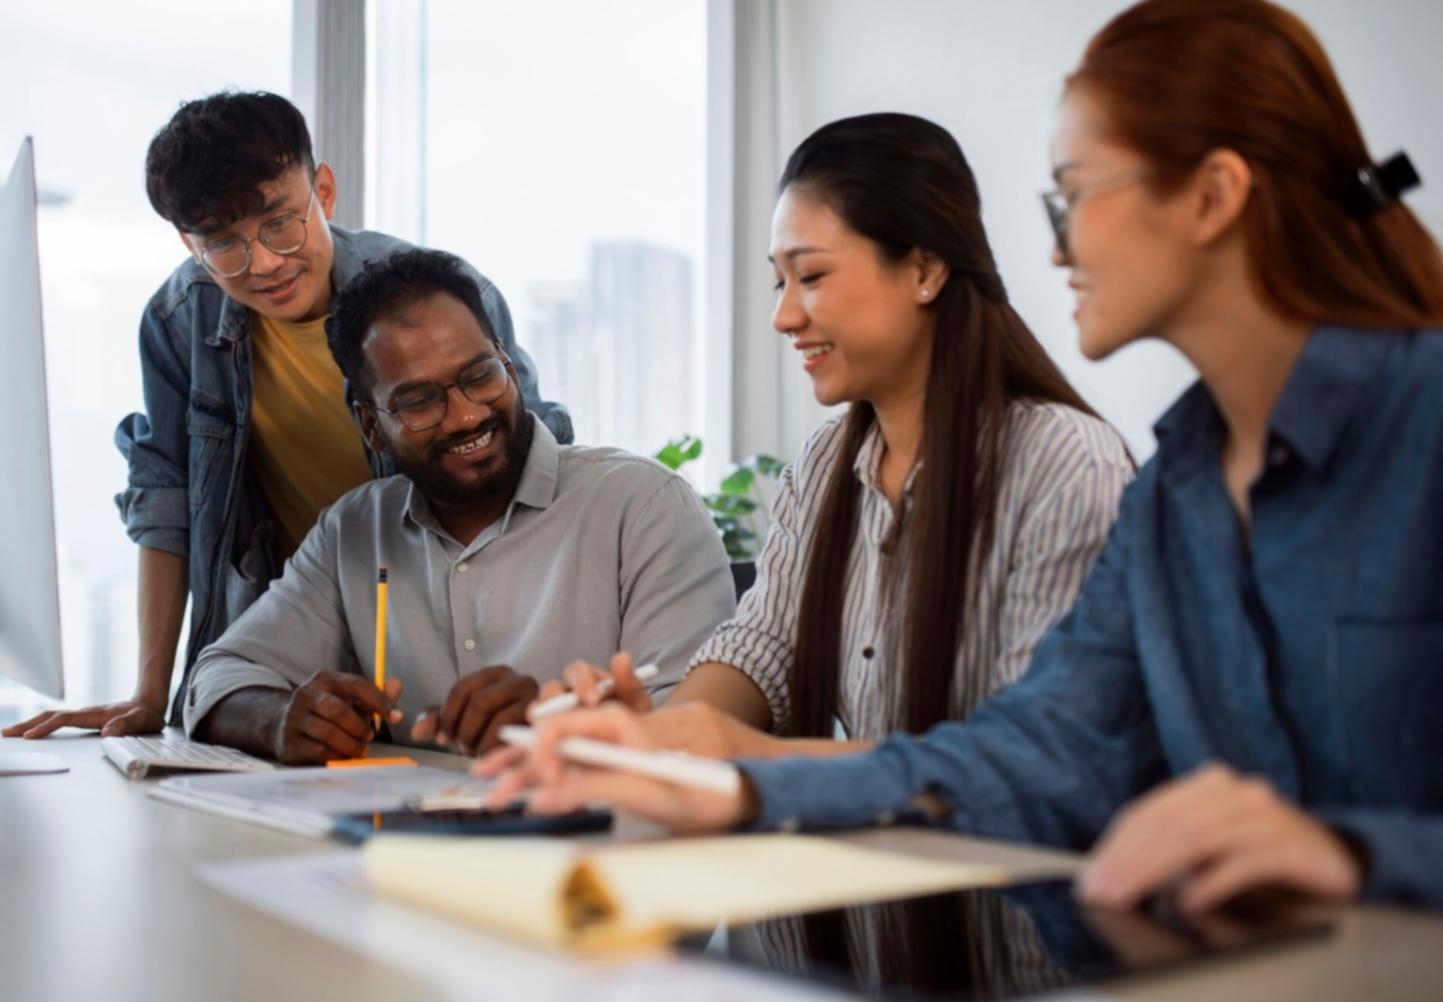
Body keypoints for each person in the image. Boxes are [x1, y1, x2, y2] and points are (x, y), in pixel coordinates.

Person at [488, 0, 1443, 912]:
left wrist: (1352, 851)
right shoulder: (1177, 494)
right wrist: (715, 765)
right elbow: (1034, 753)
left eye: (1072, 196)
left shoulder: (1409, 428)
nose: (1055, 244)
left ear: (1211, 195)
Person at [541, 114, 1132, 761]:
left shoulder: (1065, 464)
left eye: (812, 276)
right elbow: (762, 644)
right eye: (779, 280)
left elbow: (1026, 756)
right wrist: (655, 735)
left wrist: (752, 756)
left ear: (924, 269)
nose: (783, 315)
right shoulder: (828, 460)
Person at [3, 92, 570, 740]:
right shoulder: (178, 321)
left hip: (441, 618)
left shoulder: (432, 299)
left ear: (322, 190)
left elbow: (520, 458)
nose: (265, 262)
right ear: (190, 243)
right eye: (224, 243)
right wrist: (150, 695)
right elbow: (166, 497)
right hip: (296, 634)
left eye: (279, 221)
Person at [184, 250, 734, 763]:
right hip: (408, 851)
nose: (467, 416)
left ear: (510, 367)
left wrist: (559, 729)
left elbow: (704, 729)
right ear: (371, 426)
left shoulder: (644, 507)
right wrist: (278, 719)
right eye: (421, 400)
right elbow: (219, 674)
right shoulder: (353, 532)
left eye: (479, 376)